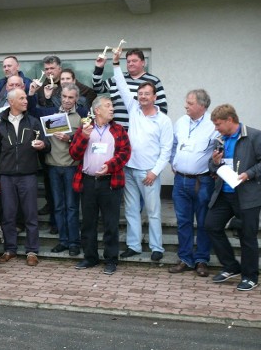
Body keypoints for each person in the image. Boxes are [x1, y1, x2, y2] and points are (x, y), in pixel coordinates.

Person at [112, 59, 173, 261]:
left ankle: (157, 248)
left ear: (155, 97)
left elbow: (166, 150)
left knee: (154, 212)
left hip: (149, 172)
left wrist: (155, 172)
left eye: (147, 94)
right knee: (130, 210)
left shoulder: (163, 120)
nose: (143, 97)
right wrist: (115, 64)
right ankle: (134, 245)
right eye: (140, 94)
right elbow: (121, 85)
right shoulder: (134, 110)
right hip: (129, 169)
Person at [69, 95, 131, 275]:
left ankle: (111, 260)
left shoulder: (119, 130)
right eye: (108, 106)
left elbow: (125, 153)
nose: (112, 109)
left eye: (112, 106)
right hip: (88, 182)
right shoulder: (85, 128)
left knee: (111, 223)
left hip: (110, 183)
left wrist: (110, 166)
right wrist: (83, 136)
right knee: (88, 223)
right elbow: (74, 153)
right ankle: (90, 258)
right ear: (97, 110)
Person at [205, 104, 261, 291]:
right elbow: (214, 168)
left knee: (247, 236)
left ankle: (250, 276)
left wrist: (249, 174)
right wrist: (214, 163)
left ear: (230, 120)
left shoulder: (253, 136)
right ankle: (231, 266)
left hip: (247, 196)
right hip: (224, 193)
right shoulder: (220, 140)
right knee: (211, 225)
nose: (216, 128)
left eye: (218, 124)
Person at [0, 88, 48, 267]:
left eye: (25, 98)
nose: (26, 101)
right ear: (11, 102)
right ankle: (10, 249)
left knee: (31, 215)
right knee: (8, 215)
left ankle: (32, 251)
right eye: (22, 98)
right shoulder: (0, 125)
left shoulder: (33, 122)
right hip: (6, 177)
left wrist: (42, 146)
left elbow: (47, 145)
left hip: (28, 175)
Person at [168, 89, 219, 277]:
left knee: (204, 221)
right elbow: (173, 144)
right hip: (180, 180)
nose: (186, 106)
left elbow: (219, 150)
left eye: (190, 103)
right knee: (183, 221)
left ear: (202, 106)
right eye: (186, 102)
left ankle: (202, 260)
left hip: (202, 181)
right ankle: (185, 258)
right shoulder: (181, 122)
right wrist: (173, 161)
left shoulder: (213, 125)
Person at [34, 83, 88, 256]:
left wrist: (70, 138)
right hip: (52, 167)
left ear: (76, 99)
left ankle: (74, 243)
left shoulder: (81, 117)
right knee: (57, 207)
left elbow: (86, 141)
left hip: (71, 168)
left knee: (72, 207)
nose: (66, 100)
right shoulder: (51, 114)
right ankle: (63, 241)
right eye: (64, 96)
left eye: (70, 97)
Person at [93, 49, 167, 128]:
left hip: (141, 130)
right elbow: (98, 88)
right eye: (128, 61)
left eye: (134, 61)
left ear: (143, 63)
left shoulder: (154, 81)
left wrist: (151, 127)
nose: (131, 64)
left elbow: (162, 108)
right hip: (116, 130)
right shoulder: (117, 78)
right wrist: (99, 68)